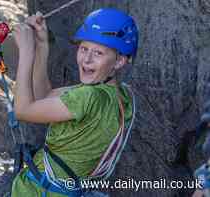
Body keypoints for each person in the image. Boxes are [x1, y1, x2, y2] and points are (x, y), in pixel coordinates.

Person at [11, 8, 138, 197]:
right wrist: (41, 44)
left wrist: (26, 51)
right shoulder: (121, 96)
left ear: (119, 61)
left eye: (98, 53)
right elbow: (43, 98)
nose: (86, 59)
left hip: (38, 191)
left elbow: (23, 110)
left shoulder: (87, 97)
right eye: (84, 49)